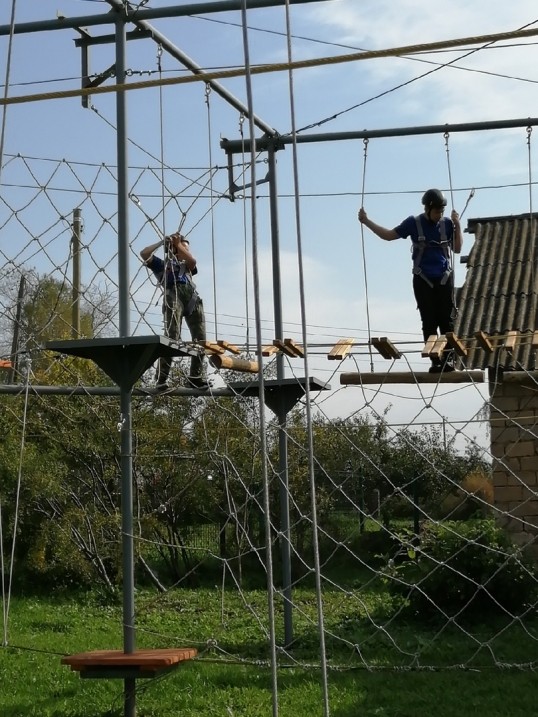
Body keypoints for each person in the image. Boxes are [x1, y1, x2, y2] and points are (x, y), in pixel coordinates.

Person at [358, 188, 462, 373]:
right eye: (437, 211)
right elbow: (388, 235)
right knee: (429, 321)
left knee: (446, 321)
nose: (440, 215)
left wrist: (457, 225)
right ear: (428, 209)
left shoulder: (447, 224)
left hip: (444, 278)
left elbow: (458, 248)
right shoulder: (414, 223)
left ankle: (449, 359)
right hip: (423, 279)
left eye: (442, 212)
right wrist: (366, 221)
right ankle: (435, 360)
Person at [140, 232, 208, 389]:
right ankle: (162, 379)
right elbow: (144, 253)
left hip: (192, 299)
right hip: (173, 297)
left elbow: (191, 260)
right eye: (184, 249)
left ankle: (195, 376)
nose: (187, 252)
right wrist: (163, 243)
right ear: (173, 251)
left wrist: (177, 245)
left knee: (200, 339)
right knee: (172, 338)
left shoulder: (188, 267)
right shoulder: (162, 265)